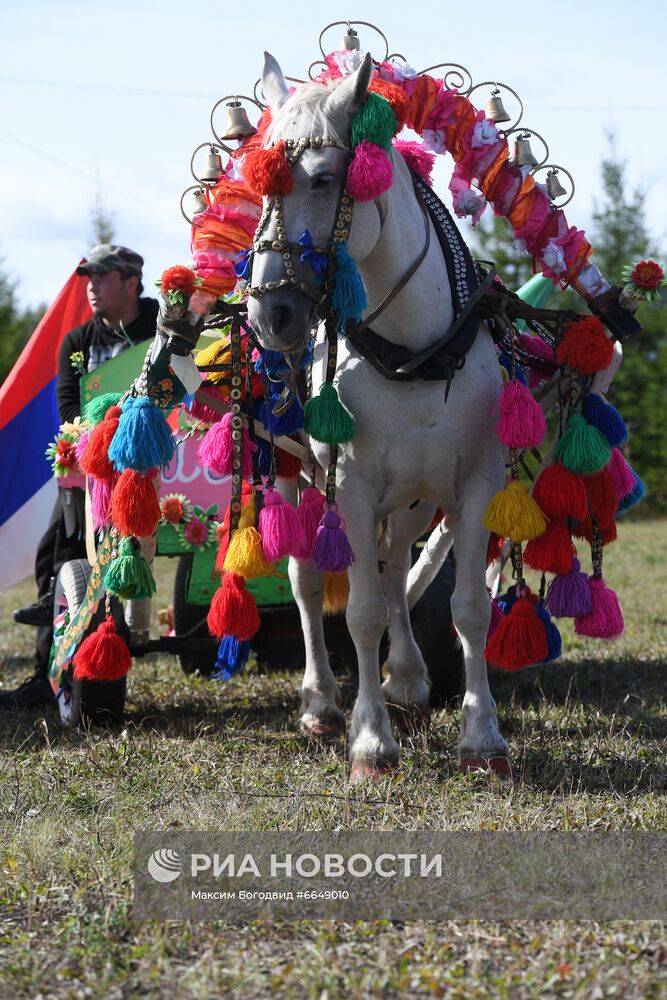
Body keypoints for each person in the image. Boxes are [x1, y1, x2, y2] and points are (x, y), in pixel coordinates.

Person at [1, 245, 158, 708]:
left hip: (171, 463)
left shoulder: (163, 327)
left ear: (131, 282)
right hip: (99, 468)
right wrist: (115, 427)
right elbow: (69, 411)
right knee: (60, 546)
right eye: (88, 278)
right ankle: (45, 668)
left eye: (102, 277)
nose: (91, 287)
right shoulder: (77, 342)